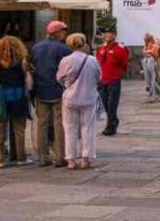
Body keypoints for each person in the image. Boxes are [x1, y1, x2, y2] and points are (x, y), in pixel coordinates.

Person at [57, 33, 101, 169]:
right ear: (84, 44)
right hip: (89, 97)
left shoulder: (65, 60)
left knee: (69, 128)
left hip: (70, 98)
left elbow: (59, 78)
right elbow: (99, 77)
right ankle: (86, 159)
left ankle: (71, 160)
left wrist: (68, 84)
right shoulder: (92, 60)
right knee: (88, 128)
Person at [31, 21, 71, 167]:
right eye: (63, 31)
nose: (65, 34)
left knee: (41, 124)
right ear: (58, 32)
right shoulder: (64, 49)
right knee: (59, 123)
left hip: (40, 89)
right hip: (58, 89)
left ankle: (43, 157)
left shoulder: (36, 47)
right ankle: (60, 157)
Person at [0, 35, 32, 167]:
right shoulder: (22, 62)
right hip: (18, 97)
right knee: (19, 129)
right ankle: (20, 157)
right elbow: (28, 82)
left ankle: (0, 159)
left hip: (0, 97)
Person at [96, 27, 129, 137]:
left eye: (110, 33)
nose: (108, 35)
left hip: (113, 80)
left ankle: (110, 127)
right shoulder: (101, 48)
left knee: (112, 104)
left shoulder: (120, 48)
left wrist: (118, 74)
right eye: (106, 33)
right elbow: (98, 63)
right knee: (104, 103)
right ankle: (114, 120)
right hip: (102, 80)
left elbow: (124, 64)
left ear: (115, 35)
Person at [142, 33, 160, 102]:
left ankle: (154, 94)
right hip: (147, 61)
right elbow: (143, 52)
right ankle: (153, 91)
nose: (145, 40)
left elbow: (154, 53)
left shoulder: (155, 44)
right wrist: (147, 52)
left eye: (146, 39)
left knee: (153, 79)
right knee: (148, 78)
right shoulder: (146, 45)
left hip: (153, 62)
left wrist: (148, 52)